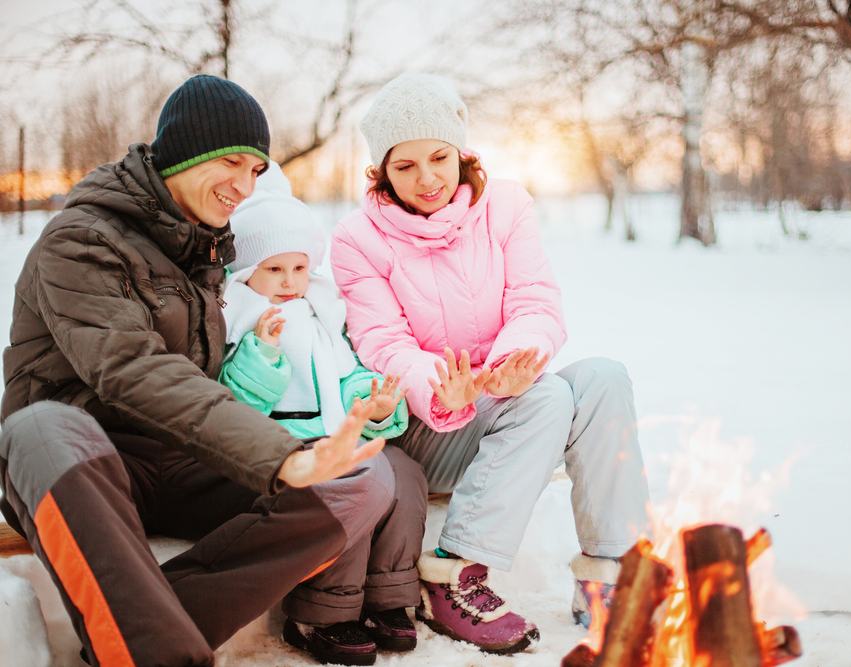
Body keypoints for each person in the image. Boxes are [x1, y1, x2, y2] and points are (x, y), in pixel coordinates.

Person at [0, 74, 391, 667]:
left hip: (174, 459)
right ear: (182, 153)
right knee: (39, 427)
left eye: (257, 170)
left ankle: (150, 628)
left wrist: (306, 449)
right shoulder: (81, 239)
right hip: (82, 464)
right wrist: (277, 455)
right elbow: (132, 368)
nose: (244, 185)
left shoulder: (204, 249)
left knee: (361, 480)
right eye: (232, 162)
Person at [330, 72, 651, 655]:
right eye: (405, 167)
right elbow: (382, 342)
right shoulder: (358, 239)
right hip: (425, 428)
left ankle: (608, 573)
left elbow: (534, 299)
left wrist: (514, 364)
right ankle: (452, 575)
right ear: (382, 172)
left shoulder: (503, 207)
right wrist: (441, 388)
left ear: (461, 153)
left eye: (438, 157)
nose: (427, 178)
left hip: (509, 403)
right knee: (549, 397)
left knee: (603, 375)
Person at [220, 163, 427, 664]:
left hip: (339, 431)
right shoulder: (241, 319)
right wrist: (262, 355)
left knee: (406, 471)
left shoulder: (320, 315)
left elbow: (346, 374)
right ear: (249, 271)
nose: (290, 282)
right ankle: (322, 609)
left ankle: (388, 593)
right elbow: (236, 403)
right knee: (352, 476)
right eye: (274, 269)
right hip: (286, 447)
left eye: (298, 268)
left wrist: (372, 400)